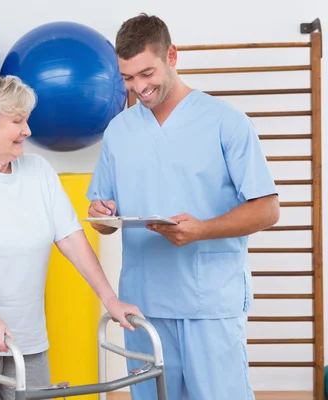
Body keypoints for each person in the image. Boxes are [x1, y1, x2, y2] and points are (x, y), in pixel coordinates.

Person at [86, 13, 280, 400]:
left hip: (209, 300)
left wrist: (202, 229)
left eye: (147, 73)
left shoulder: (226, 122)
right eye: (128, 78)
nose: (139, 87)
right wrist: (101, 216)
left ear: (171, 55)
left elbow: (267, 209)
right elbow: (101, 218)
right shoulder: (119, 131)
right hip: (143, 304)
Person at [0, 73, 144, 400]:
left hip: (27, 337)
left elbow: (72, 240)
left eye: (27, 120)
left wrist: (109, 299)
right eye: (18, 121)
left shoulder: (39, 171)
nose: (27, 130)